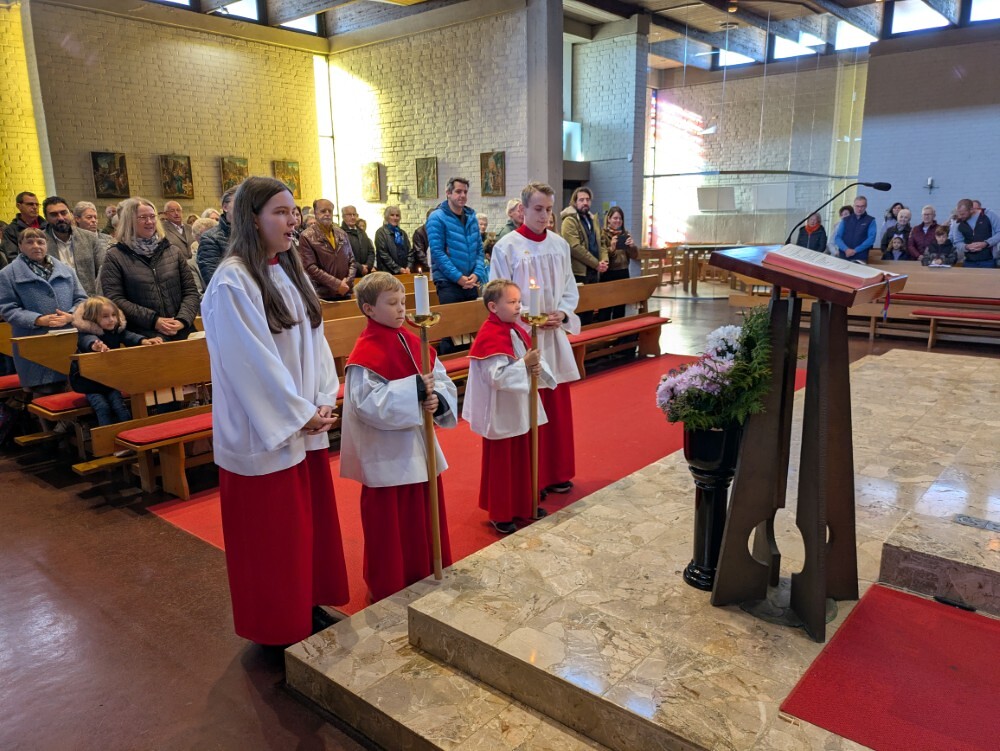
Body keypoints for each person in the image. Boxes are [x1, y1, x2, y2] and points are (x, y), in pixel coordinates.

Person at [200, 176, 349, 646]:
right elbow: (250, 363)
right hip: (264, 431)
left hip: (301, 423)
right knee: (273, 536)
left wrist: (323, 397)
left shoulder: (288, 269)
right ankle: (277, 626)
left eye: (293, 211)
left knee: (304, 529)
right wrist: (298, 412)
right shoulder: (232, 281)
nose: (293, 221)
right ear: (251, 219)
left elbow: (316, 341)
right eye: (281, 212)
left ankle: (306, 606)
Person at [340, 271, 458, 602]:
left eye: (403, 302)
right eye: (392, 303)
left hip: (419, 448)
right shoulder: (366, 354)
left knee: (423, 516)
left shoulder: (414, 340)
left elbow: (440, 380)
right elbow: (366, 404)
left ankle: (426, 569)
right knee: (390, 524)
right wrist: (416, 389)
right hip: (387, 456)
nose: (402, 309)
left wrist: (437, 400)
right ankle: (390, 582)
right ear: (369, 309)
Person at [490, 181, 580, 496]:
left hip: (553, 335)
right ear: (523, 209)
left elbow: (569, 287)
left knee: (555, 405)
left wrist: (563, 313)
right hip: (522, 337)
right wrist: (530, 316)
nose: (545, 216)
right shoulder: (507, 247)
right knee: (529, 406)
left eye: (549, 210)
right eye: (538, 209)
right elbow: (498, 293)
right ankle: (533, 477)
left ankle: (556, 472)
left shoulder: (560, 245)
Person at [463, 279, 555, 534]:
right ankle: (501, 512)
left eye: (519, 301)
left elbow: (528, 360)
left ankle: (525, 505)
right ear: (493, 306)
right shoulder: (490, 335)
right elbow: (497, 377)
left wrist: (535, 367)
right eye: (512, 302)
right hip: (501, 410)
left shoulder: (515, 330)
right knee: (504, 463)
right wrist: (525, 364)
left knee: (522, 457)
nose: (518, 307)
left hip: (519, 406)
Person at [99, 197, 199, 341]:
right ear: (129, 221)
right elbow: (115, 298)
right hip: (144, 336)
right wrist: (154, 320)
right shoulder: (115, 256)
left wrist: (182, 320)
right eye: (143, 217)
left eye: (152, 216)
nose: (150, 221)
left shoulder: (172, 251)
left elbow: (190, 291)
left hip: (182, 332)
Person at [0, 228, 87, 392]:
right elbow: (7, 308)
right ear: (20, 246)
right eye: (29, 242)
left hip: (68, 342)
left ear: (46, 245)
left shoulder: (66, 270)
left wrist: (71, 316)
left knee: (74, 390)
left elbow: (82, 299)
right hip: (33, 344)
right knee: (43, 392)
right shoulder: (7, 274)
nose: (36, 246)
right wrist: (37, 319)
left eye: (40, 242)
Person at [69, 296, 162, 425]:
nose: (111, 319)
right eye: (105, 316)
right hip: (90, 383)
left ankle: (129, 430)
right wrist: (95, 346)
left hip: (110, 381)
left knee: (120, 406)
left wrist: (143, 341)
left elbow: (129, 336)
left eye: (114, 315)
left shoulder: (116, 331)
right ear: (92, 318)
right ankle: (106, 435)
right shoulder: (86, 333)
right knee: (103, 407)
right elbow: (87, 341)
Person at [427, 177, 486, 352]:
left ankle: (468, 365)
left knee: (470, 329)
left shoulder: (471, 217)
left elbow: (479, 250)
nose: (462, 195)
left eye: (465, 192)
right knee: (452, 332)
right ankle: (448, 366)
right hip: (448, 282)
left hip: (470, 280)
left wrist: (477, 273)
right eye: (458, 191)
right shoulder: (437, 217)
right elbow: (438, 253)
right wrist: (458, 277)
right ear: (448, 193)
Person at [560, 187, 606, 324]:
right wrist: (596, 264)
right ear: (574, 202)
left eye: (587, 199)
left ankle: (588, 335)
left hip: (593, 271)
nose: (585, 202)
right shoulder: (569, 220)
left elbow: (601, 241)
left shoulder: (592, 219)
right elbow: (575, 247)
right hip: (579, 272)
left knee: (589, 309)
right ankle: (577, 337)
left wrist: (604, 260)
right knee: (578, 311)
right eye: (581, 200)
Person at [43, 196, 106, 295]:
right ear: (46, 218)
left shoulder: (89, 238)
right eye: (54, 215)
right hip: (56, 297)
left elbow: (104, 270)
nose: (60, 218)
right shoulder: (40, 242)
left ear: (71, 214)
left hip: (88, 297)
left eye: (64, 213)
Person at [298, 198, 356, 300]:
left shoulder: (342, 233)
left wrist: (347, 282)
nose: (327, 214)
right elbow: (310, 267)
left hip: (345, 291)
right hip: (323, 294)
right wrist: (337, 284)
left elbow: (352, 260)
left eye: (330, 211)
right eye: (323, 211)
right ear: (315, 213)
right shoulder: (306, 236)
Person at [599, 206, 636, 321]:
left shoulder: (625, 234)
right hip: (609, 273)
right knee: (606, 308)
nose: (618, 221)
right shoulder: (603, 234)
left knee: (620, 307)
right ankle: (605, 330)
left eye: (620, 218)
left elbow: (634, 256)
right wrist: (612, 248)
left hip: (623, 272)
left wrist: (632, 247)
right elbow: (602, 255)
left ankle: (619, 331)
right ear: (609, 219)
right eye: (615, 218)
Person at [197, 188, 235, 286]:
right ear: (225, 207)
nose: (243, 207)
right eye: (238, 202)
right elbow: (213, 280)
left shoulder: (253, 232)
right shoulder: (210, 238)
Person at [950, 198, 1000, 268]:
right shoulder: (958, 222)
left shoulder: (989, 214)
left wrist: (986, 243)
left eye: (963, 214)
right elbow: (957, 242)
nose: (960, 216)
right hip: (969, 261)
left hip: (989, 260)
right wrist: (966, 247)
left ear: (971, 210)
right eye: (959, 214)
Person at [2, 192, 47, 263]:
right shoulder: (11, 230)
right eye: (30, 204)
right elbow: (12, 258)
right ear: (19, 206)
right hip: (25, 267)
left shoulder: (47, 226)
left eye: (37, 204)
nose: (35, 207)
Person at [834, 196, 877, 263]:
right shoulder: (845, 220)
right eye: (857, 206)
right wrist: (846, 249)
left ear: (866, 206)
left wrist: (855, 250)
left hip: (860, 257)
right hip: (844, 255)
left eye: (862, 206)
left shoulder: (870, 220)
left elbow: (871, 239)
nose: (859, 209)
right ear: (853, 205)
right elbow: (837, 237)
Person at [374, 206, 412, 275]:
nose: (395, 218)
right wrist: (398, 269)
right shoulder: (380, 233)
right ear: (386, 217)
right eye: (392, 215)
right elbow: (384, 255)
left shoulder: (403, 233)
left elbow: (410, 251)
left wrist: (408, 267)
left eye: (397, 215)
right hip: (386, 273)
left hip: (404, 272)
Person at [341, 205, 376, 277]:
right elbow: (343, 255)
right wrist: (360, 268)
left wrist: (368, 266)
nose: (353, 217)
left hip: (366, 273)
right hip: (350, 274)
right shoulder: (340, 233)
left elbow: (371, 251)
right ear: (343, 217)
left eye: (354, 214)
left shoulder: (362, 232)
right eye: (349, 215)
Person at [408, 208, 433, 273]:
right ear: (427, 219)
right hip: (422, 269)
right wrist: (431, 266)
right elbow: (419, 253)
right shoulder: (419, 232)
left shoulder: (439, 232)